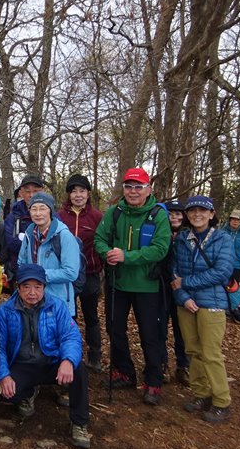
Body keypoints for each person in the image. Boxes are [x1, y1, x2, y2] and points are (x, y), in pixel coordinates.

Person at [93, 167, 170, 405]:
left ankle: (153, 381)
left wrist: (126, 256)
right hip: (117, 283)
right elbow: (99, 239)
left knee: (150, 334)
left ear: (148, 189)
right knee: (114, 329)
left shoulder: (158, 215)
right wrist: (107, 253)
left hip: (147, 286)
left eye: (138, 187)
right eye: (129, 186)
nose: (133, 191)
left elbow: (160, 249)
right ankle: (124, 372)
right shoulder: (115, 212)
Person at [0, 264, 91, 449]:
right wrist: (4, 375)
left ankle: (79, 423)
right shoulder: (5, 311)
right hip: (22, 364)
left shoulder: (57, 306)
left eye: (37, 287)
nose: (32, 292)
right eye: (26, 287)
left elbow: (71, 337)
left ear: (44, 287)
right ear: (18, 288)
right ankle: (29, 392)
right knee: (4, 394)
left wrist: (67, 360)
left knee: (79, 370)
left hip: (51, 362)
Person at [170, 196, 233, 423]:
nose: (197, 214)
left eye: (202, 210)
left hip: (212, 303)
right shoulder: (182, 240)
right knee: (193, 350)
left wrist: (186, 283)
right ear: (187, 215)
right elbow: (174, 272)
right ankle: (201, 393)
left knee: (211, 353)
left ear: (211, 213)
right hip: (186, 304)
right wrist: (183, 297)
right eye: (192, 211)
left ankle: (221, 401)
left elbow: (222, 272)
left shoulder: (222, 239)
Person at [57, 174, 104, 372]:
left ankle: (95, 356)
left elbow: (103, 242)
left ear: (88, 193)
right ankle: (70, 356)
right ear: (69, 194)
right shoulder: (59, 216)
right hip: (66, 275)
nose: (78, 195)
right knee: (69, 316)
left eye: (82, 191)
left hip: (90, 273)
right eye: (74, 191)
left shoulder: (97, 217)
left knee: (91, 315)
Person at [17, 192, 79, 313]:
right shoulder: (29, 234)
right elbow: (21, 263)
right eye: (34, 209)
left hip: (58, 302)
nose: (38, 213)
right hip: (32, 300)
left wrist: (40, 275)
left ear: (50, 211)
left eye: (42, 208)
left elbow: (71, 272)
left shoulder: (64, 236)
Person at [159, 200, 189, 385]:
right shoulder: (159, 232)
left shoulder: (188, 236)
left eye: (178, 214)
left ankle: (183, 366)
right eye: (170, 214)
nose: (174, 217)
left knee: (182, 329)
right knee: (159, 328)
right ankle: (162, 364)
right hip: (160, 286)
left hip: (182, 288)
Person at [3, 175, 45, 278]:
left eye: (35, 191)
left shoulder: (52, 215)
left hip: (46, 270)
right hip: (19, 270)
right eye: (27, 191)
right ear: (21, 193)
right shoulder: (13, 216)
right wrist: (38, 244)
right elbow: (11, 243)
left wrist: (23, 240)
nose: (31, 195)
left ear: (42, 192)